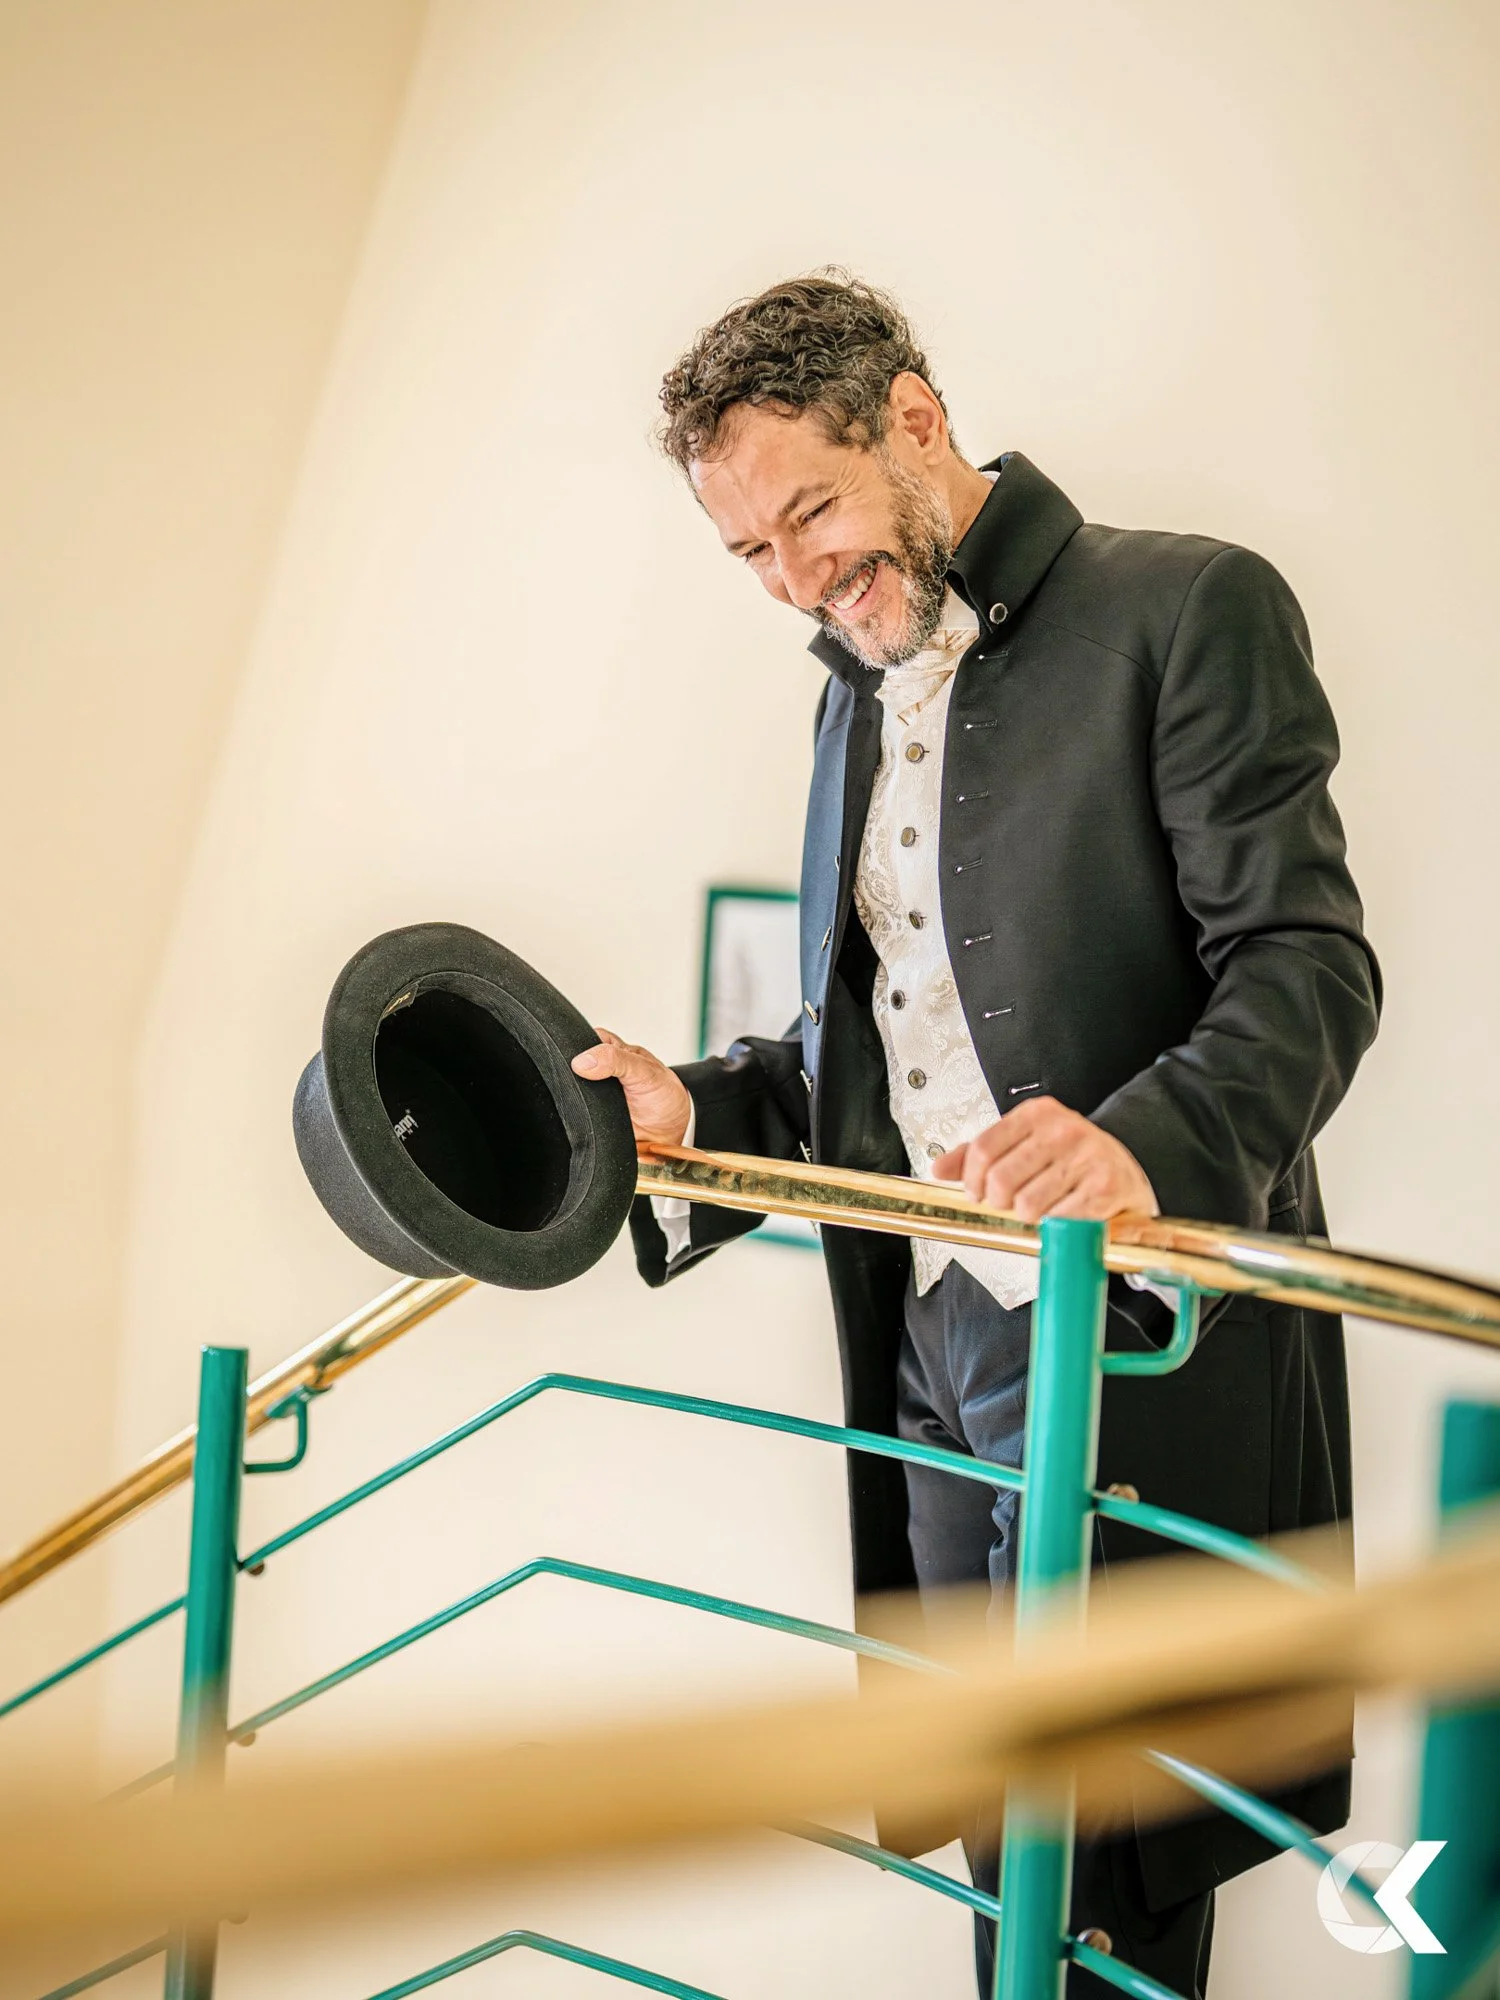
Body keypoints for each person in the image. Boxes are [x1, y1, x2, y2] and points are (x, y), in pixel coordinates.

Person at [571, 272, 1380, 1998]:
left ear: (918, 421)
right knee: (1001, 1857)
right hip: (926, 1346)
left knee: (1111, 1868)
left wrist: (1145, 1141)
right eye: (752, 558)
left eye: (813, 517)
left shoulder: (1193, 606)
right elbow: (862, 1047)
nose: (797, 584)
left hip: (1135, 1328)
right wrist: (695, 1111)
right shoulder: (846, 692)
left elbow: (1308, 962)